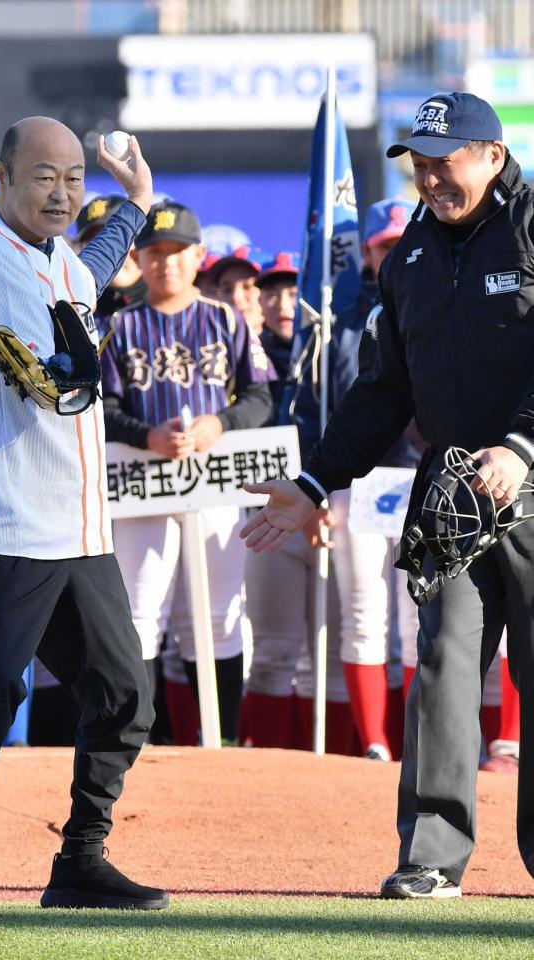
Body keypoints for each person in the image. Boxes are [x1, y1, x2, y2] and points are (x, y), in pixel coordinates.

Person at [240, 92, 534, 899]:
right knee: (442, 663)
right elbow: (381, 392)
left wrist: (521, 445)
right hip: (451, 490)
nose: (431, 177)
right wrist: (312, 481)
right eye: (421, 163)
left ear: (492, 157)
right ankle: (432, 857)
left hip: (532, 472)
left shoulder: (532, 225)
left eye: (447, 160)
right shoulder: (407, 257)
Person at [0, 116, 167, 917]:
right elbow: (52, 382)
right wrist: (92, 346)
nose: (62, 191)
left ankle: (80, 859)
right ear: (2, 177)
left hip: (78, 528)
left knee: (124, 693)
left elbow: (86, 273)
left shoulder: (52, 253)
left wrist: (132, 203)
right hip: (9, 520)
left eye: (73, 177)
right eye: (43, 175)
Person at [100, 200, 274, 743]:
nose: (167, 263)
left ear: (199, 256)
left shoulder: (225, 319)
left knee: (220, 614)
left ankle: (218, 739)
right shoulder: (120, 326)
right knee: (139, 614)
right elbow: (98, 407)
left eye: (178, 252)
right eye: (155, 252)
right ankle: (140, 741)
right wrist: (143, 434)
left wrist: (220, 423)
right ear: (138, 257)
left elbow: (262, 396)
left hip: (214, 479)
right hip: (140, 482)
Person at [289, 198, 422, 761]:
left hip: (425, 480)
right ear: (366, 252)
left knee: (421, 620)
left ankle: (420, 742)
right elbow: (315, 410)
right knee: (365, 615)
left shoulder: (435, 303)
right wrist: (313, 492)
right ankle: (373, 743)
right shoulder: (336, 321)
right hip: (357, 486)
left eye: (399, 243)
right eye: (381, 246)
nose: (390, 253)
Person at [239, 253, 356, 753]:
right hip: (266, 513)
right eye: (273, 292)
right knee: (271, 653)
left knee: (329, 658)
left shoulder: (338, 353)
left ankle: (333, 770)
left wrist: (319, 496)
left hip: (333, 512)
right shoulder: (247, 356)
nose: (285, 303)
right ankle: (264, 767)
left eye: (294, 292)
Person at [73, 194, 146, 318]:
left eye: (116, 240)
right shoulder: (75, 306)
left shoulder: (173, 303)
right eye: (93, 241)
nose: (106, 250)